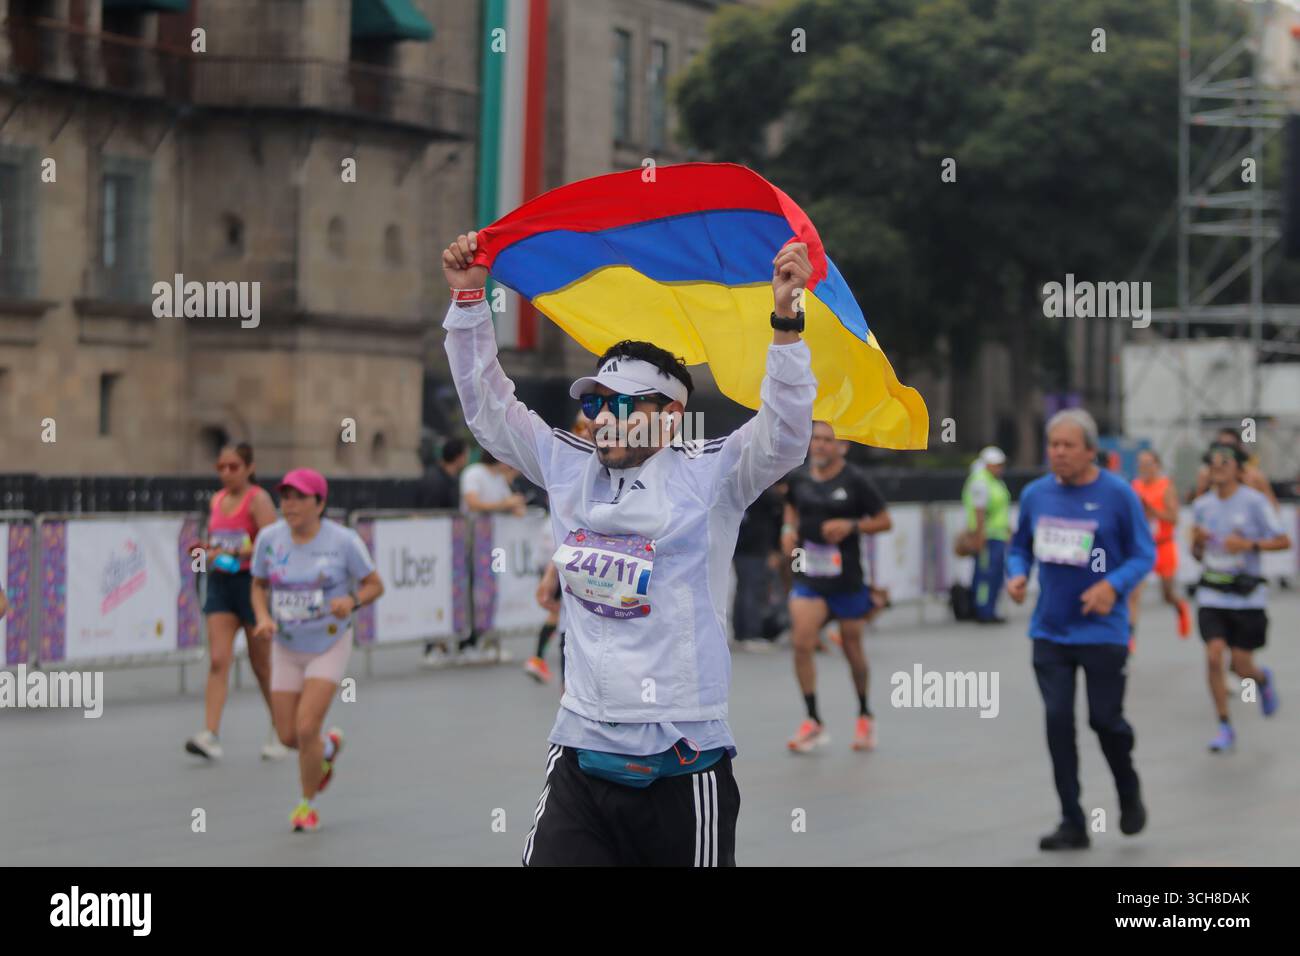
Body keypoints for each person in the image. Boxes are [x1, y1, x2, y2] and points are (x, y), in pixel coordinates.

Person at [442, 228, 815, 866]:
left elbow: (783, 435)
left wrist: (785, 319)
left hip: (681, 763)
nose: (603, 416)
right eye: (596, 402)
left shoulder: (711, 474)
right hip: (582, 757)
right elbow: (489, 408)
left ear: (671, 414)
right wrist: (470, 304)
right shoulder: (566, 465)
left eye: (623, 403)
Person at [1005, 408, 1154, 851]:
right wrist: (1016, 574)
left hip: (1103, 632)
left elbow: (1142, 554)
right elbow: (1019, 547)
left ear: (1092, 451)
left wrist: (1112, 585)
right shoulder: (1036, 495)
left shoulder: (1118, 495)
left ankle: (1128, 790)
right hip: (1050, 631)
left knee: (1105, 721)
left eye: (1069, 446)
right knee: (1057, 722)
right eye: (1053, 445)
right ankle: (1072, 820)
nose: (1059, 453)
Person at [250, 468, 384, 832]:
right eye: (285, 497)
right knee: (287, 736)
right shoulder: (269, 539)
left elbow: (375, 585)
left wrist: (352, 600)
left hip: (328, 641)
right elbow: (258, 585)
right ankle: (326, 751)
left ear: (320, 503)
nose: (289, 505)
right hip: (286, 645)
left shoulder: (343, 541)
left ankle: (306, 805)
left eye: (299, 497)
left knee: (307, 727)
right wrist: (262, 616)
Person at [782, 421, 892, 753]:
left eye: (828, 440)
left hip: (846, 581)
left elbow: (884, 520)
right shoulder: (799, 478)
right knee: (802, 642)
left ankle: (864, 713)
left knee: (852, 649)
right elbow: (791, 506)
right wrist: (788, 528)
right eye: (816, 438)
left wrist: (852, 524)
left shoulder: (856, 481)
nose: (820, 445)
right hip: (810, 577)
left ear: (842, 447)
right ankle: (813, 719)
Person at [1191, 443, 1290, 752]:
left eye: (1224, 461)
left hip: (1247, 596)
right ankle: (1224, 725)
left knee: (1241, 666)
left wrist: (1248, 545)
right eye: (1212, 462)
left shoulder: (1254, 502)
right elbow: (1196, 554)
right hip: (1212, 593)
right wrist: (1197, 544)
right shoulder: (1202, 506)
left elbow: (1284, 541)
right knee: (1213, 655)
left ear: (1238, 468)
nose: (1217, 466)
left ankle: (1260, 679)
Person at [185, 443, 281, 761]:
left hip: (250, 586)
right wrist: (208, 551)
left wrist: (236, 553)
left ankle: (280, 728)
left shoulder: (259, 500)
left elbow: (272, 547)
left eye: (234, 467)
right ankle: (210, 734)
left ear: (249, 468)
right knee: (217, 659)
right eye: (221, 467)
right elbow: (216, 542)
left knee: (262, 665)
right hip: (220, 584)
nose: (226, 473)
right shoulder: (216, 500)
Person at [525, 413, 592, 684]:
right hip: (573, 578)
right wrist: (550, 575)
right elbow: (568, 532)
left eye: (590, 424)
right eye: (579, 426)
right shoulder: (566, 464)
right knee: (571, 691)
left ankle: (537, 658)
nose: (586, 431)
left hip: (613, 597)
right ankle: (538, 659)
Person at [1128, 449, 1191, 646]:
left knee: (1167, 594)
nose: (1144, 468)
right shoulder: (1134, 486)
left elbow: (1174, 518)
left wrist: (1152, 511)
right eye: (1141, 463)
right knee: (1133, 593)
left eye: (1148, 463)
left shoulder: (1165, 487)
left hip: (1163, 546)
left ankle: (1180, 606)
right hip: (1142, 547)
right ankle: (1129, 639)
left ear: (1157, 465)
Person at [419, 438, 467, 664]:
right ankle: (432, 645)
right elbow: (426, 513)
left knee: (447, 592)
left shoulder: (451, 478)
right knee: (433, 592)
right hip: (433, 545)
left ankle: (442, 642)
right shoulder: (434, 479)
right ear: (458, 456)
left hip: (448, 545)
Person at [732, 483, 785, 650]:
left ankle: (741, 633)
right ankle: (750, 634)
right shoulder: (761, 490)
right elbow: (776, 505)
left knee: (743, 590)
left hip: (741, 546)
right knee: (751, 590)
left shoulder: (743, 488)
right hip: (754, 548)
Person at [962, 446, 1011, 624]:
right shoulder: (981, 482)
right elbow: (979, 511)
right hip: (987, 536)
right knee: (986, 574)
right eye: (996, 464)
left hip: (997, 535)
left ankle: (988, 608)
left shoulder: (994, 481)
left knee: (994, 574)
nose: (1000, 468)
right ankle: (983, 610)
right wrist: (980, 535)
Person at [1190, 427, 1278, 508]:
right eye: (1220, 446)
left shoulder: (1254, 476)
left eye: (1230, 447)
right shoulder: (1207, 474)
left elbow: (1272, 507)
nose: (1223, 453)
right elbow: (1199, 507)